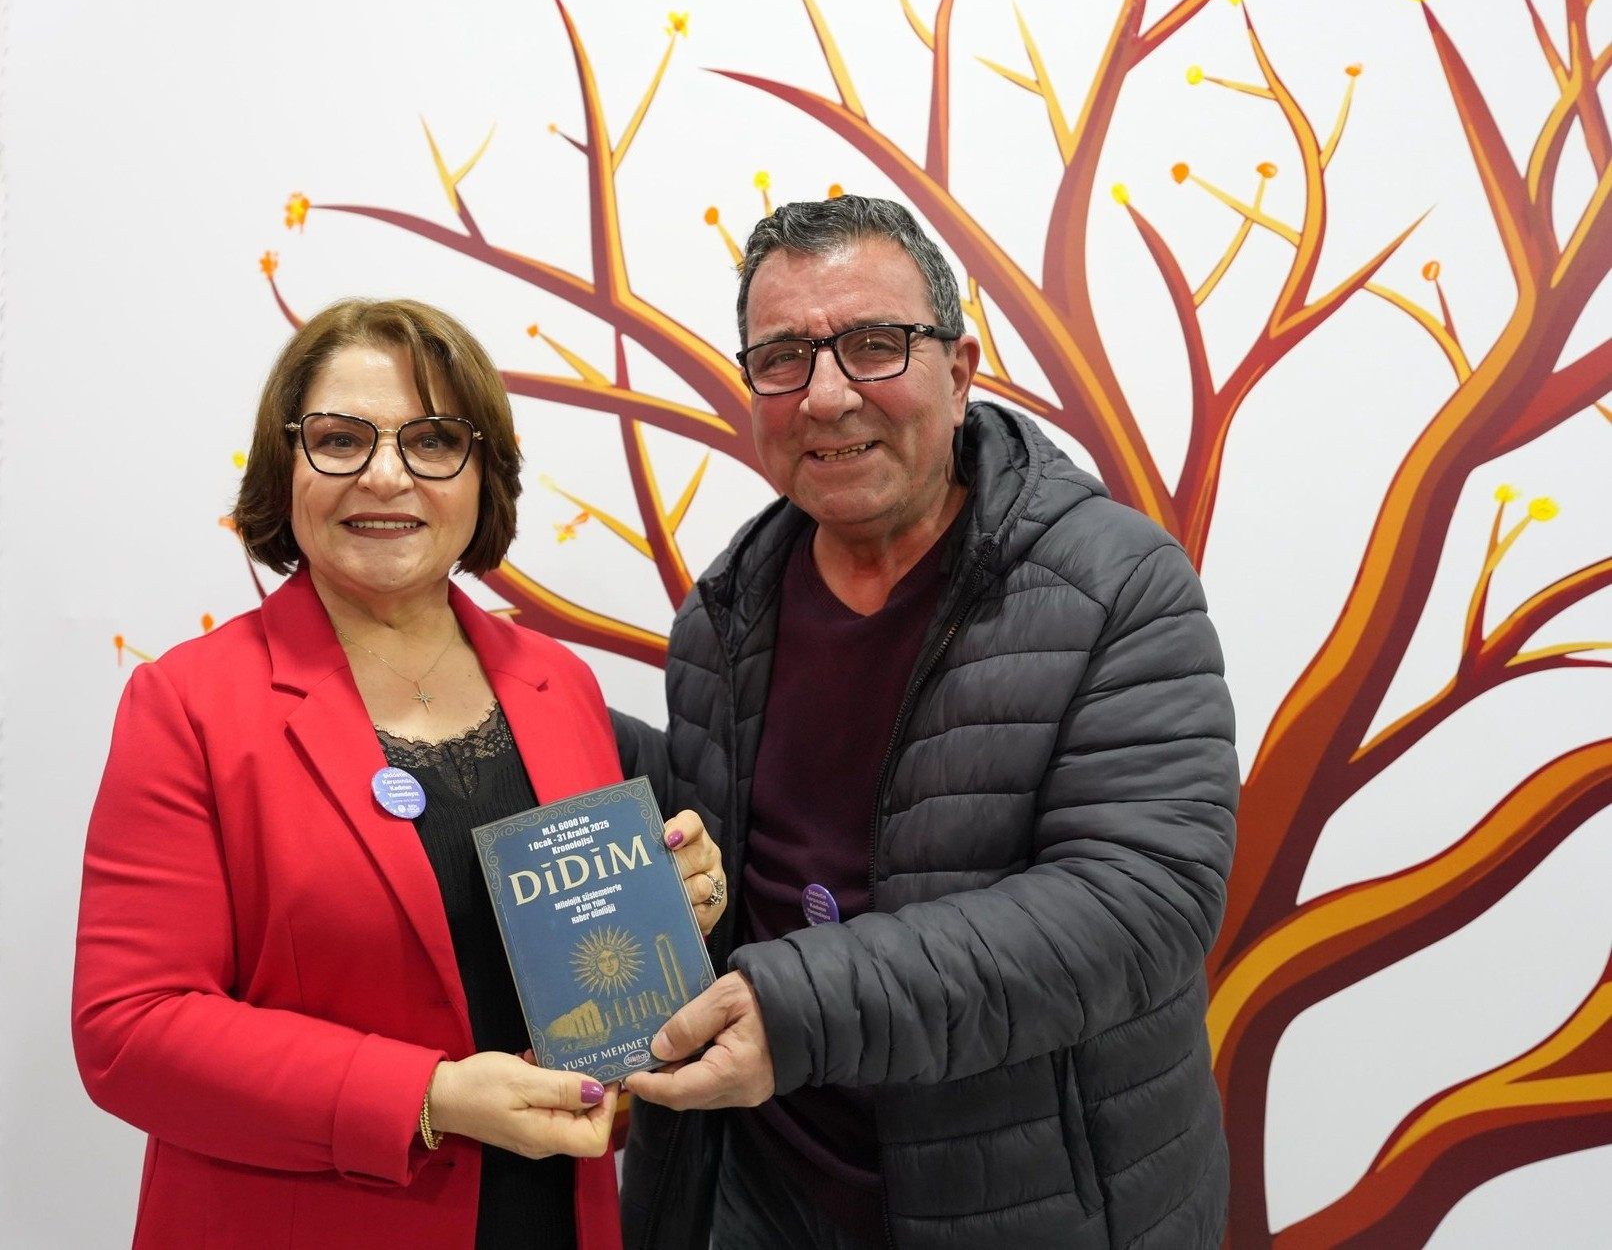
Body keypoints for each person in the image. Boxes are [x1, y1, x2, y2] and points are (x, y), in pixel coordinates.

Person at [614, 196, 1239, 1250]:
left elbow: (1142, 902)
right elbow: (716, 868)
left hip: (1030, 1210)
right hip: (765, 1192)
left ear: (959, 371)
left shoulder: (1116, 583)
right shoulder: (722, 613)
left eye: (873, 345)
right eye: (781, 358)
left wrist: (801, 1010)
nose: (825, 396)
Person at [73, 298, 727, 1250]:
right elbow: (129, 1031)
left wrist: (670, 905)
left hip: (552, 1215)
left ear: (483, 474)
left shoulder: (559, 685)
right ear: (286, 465)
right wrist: (429, 1097)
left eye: (432, 441)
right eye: (341, 439)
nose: (385, 475)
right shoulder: (189, 706)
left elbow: (583, 963)